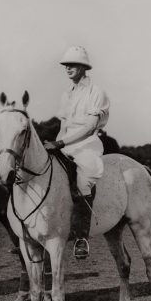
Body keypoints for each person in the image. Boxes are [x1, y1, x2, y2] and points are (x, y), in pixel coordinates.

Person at [43, 46, 110, 260]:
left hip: (87, 143)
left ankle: (81, 237)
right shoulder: (67, 94)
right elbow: (63, 125)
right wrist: (56, 144)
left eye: (72, 65)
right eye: (66, 65)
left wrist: (61, 142)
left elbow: (90, 127)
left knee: (83, 179)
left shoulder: (96, 92)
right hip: (65, 143)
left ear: (83, 67)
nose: (68, 68)